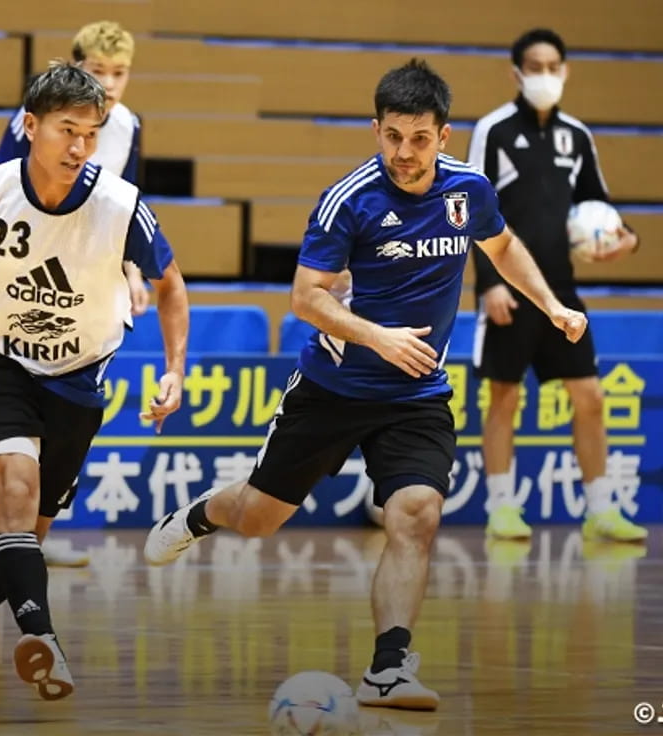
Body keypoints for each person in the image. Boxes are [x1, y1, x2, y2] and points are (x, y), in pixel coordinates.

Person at [143, 59, 587, 711]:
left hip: (417, 395)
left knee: (417, 513)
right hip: (334, 389)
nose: (405, 152)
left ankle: (388, 668)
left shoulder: (468, 191)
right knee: (259, 520)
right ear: (376, 130)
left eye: (420, 139)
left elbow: (502, 246)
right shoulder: (348, 201)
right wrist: (379, 337)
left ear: (444, 136)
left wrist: (550, 305)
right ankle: (203, 513)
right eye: (392, 137)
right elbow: (306, 298)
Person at [0, 62, 188, 704]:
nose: (79, 147)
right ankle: (43, 639)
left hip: (78, 380)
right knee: (16, 496)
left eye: (91, 134)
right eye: (66, 130)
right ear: (30, 126)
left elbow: (171, 288)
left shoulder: (121, 205)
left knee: (23, 538)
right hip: (0, 365)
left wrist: (174, 369)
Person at [0, 20, 150, 566]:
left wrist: (132, 271)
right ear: (75, 68)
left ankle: (33, 535)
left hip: (82, 283)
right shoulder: (35, 121)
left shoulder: (129, 126)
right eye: (99, 71)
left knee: (64, 411)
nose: (111, 83)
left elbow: (128, 207)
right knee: (2, 400)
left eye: (120, 73)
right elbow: (2, 186)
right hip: (22, 272)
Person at [468, 28, 645, 543]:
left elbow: (598, 204)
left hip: (562, 294)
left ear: (565, 71)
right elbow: (474, 210)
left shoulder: (577, 136)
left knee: (590, 396)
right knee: (504, 397)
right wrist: (488, 286)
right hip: (509, 289)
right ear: (517, 73)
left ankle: (600, 511)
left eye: (553, 67)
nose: (545, 75)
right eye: (535, 67)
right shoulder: (494, 130)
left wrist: (627, 239)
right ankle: (501, 508)